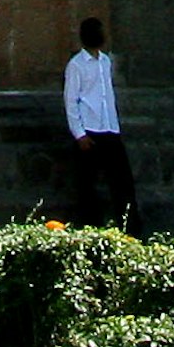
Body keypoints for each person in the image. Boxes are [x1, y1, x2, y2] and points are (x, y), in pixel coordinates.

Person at [64, 16, 138, 231]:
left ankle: (129, 227)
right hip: (89, 130)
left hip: (110, 128)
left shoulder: (106, 61)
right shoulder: (76, 65)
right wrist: (79, 134)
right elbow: (71, 100)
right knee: (87, 185)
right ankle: (91, 227)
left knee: (123, 182)